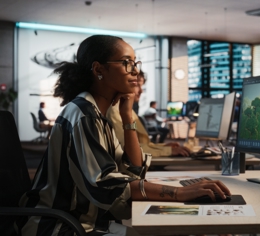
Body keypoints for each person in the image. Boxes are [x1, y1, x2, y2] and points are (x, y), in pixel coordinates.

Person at [17, 35, 230, 235]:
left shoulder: (99, 114)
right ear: (98, 69)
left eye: (135, 63)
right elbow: (108, 185)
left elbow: (132, 169)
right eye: (127, 62)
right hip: (59, 227)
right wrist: (179, 193)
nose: (135, 71)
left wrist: (127, 116)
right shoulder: (84, 114)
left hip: (85, 222)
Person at [107, 70, 191, 157]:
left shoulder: (127, 110)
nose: (141, 91)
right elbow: (126, 148)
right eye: (137, 85)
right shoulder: (115, 112)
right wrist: (168, 151)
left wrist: (163, 147)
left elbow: (141, 145)